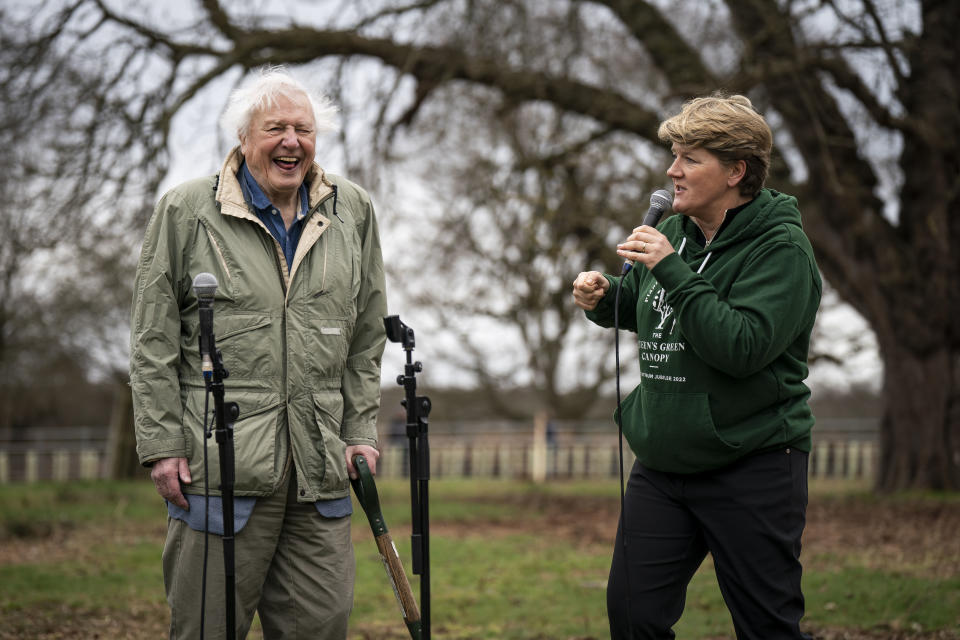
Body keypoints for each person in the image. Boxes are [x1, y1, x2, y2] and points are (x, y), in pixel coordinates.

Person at [129, 67, 387, 640]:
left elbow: (367, 336)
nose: (291, 141)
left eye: (304, 129)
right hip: (217, 470)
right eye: (275, 128)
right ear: (244, 138)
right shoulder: (186, 210)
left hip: (319, 467)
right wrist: (162, 443)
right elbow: (152, 339)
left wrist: (360, 429)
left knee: (322, 625)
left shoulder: (354, 211)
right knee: (206, 628)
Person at [572, 93, 820, 639]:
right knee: (633, 616)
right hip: (663, 464)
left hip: (751, 461)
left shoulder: (781, 249)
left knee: (766, 626)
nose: (672, 170)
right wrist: (607, 297)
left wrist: (670, 269)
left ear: (737, 171)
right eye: (674, 155)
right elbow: (653, 309)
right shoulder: (677, 234)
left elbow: (740, 346)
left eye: (690, 159)